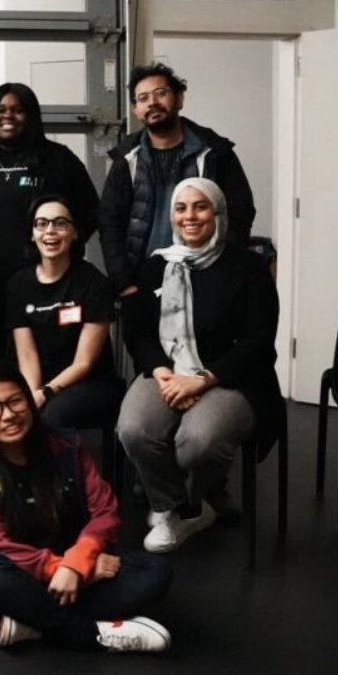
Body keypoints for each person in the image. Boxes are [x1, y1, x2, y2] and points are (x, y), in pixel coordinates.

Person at [0, 358, 173, 652]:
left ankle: (34, 621)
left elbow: (105, 512)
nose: (8, 415)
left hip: (77, 563)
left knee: (155, 572)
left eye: (15, 401)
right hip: (21, 574)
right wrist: (66, 569)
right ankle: (94, 635)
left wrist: (77, 562)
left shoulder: (64, 443)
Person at [117, 178, 282, 553]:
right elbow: (138, 332)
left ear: (218, 213)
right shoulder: (157, 265)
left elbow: (258, 341)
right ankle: (178, 506)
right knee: (134, 429)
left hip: (232, 376)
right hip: (168, 370)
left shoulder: (249, 267)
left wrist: (202, 381)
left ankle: (186, 505)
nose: (190, 216)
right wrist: (161, 372)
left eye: (200, 206)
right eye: (181, 208)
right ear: (172, 216)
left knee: (198, 443)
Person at [0, 83, 100, 359]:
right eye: (0, 110)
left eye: (18, 110)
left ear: (32, 116)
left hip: (46, 281)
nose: (8, 116)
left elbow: (90, 210)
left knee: (45, 356)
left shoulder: (58, 159)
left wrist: (61, 249)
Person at [99, 63, 257, 295]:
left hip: (204, 277)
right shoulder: (126, 159)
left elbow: (240, 212)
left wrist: (221, 269)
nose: (152, 102)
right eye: (142, 98)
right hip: (143, 281)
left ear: (180, 99)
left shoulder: (215, 153)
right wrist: (123, 281)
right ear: (136, 110)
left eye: (160, 93)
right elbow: (109, 222)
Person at [6, 195, 123, 436]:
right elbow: (27, 355)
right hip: (41, 381)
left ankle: (65, 475)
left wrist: (44, 394)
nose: (50, 231)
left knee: (51, 417)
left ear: (75, 232)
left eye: (60, 223)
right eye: (41, 223)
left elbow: (84, 363)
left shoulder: (93, 283)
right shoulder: (19, 284)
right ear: (32, 233)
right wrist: (32, 394)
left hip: (90, 382)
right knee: (0, 411)